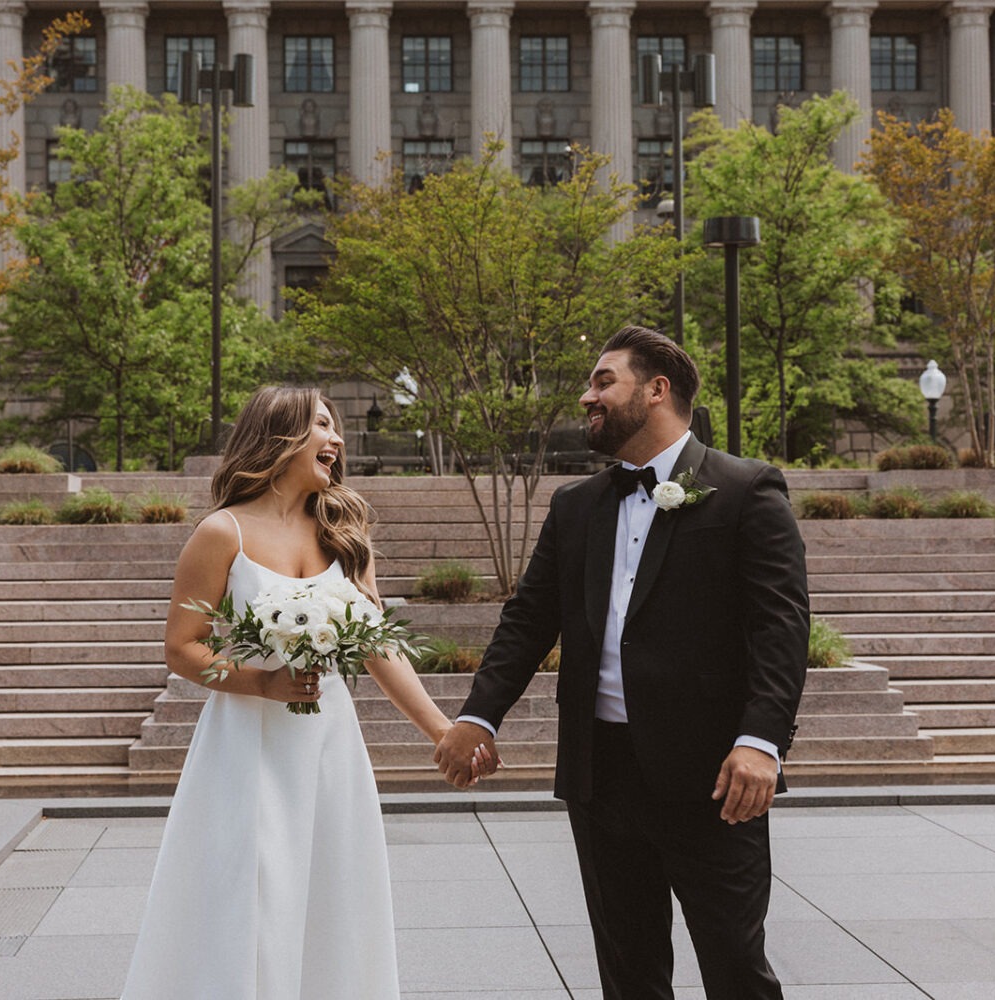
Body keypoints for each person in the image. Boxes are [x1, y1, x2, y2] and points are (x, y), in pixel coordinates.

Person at [435, 325, 809, 1000]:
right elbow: (528, 619)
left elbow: (781, 628)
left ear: (657, 389)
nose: (588, 396)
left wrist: (761, 741)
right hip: (601, 776)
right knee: (628, 974)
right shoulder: (576, 507)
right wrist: (479, 716)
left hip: (716, 779)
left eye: (604, 381)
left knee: (735, 968)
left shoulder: (746, 490)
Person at [122, 386, 482, 1000]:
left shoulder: (345, 531)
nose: (337, 439)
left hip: (328, 745)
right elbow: (182, 648)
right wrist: (259, 681)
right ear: (280, 435)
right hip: (248, 744)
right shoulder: (221, 533)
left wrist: (442, 731)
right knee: (255, 894)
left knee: (333, 890)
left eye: (334, 426)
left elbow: (378, 644)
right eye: (322, 424)